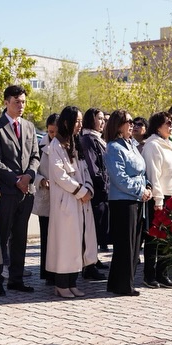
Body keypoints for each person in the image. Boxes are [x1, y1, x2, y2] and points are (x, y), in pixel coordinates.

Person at [0, 85, 40, 295]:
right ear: (6, 102)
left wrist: (29, 176)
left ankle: (16, 279)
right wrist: (16, 180)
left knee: (20, 237)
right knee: (2, 237)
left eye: (23, 102)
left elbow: (35, 156)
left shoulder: (29, 126)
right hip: (7, 191)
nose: (21, 105)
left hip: (26, 191)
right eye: (17, 102)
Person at [46, 106, 98, 298]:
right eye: (77, 121)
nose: (80, 125)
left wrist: (89, 189)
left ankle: (72, 282)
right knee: (65, 243)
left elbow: (85, 170)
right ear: (67, 122)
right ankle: (61, 284)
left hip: (81, 201)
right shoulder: (55, 146)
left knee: (78, 242)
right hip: (66, 202)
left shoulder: (75, 144)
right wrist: (81, 192)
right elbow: (60, 175)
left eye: (81, 121)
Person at [104, 109, 152, 296]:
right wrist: (140, 191)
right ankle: (122, 285)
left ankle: (120, 282)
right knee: (125, 245)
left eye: (133, 122)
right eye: (128, 122)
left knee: (134, 243)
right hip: (123, 201)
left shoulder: (131, 145)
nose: (132, 125)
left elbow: (141, 171)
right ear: (118, 125)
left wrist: (147, 186)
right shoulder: (114, 147)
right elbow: (119, 177)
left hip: (137, 199)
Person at [140, 112, 172, 289]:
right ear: (157, 127)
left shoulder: (170, 145)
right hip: (159, 197)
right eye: (167, 123)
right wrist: (158, 200)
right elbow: (153, 174)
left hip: (171, 195)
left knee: (166, 238)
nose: (171, 126)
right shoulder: (152, 146)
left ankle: (162, 274)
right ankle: (149, 275)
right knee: (153, 237)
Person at [80, 108, 111, 268]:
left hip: (103, 191)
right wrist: (104, 186)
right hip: (96, 191)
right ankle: (89, 265)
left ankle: (93, 260)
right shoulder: (88, 139)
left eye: (103, 119)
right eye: (99, 118)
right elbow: (93, 167)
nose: (102, 122)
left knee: (98, 229)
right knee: (91, 229)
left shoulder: (99, 138)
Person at [33, 113, 58, 286]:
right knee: (46, 237)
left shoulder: (67, 145)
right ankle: (47, 273)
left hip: (63, 198)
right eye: (50, 132)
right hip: (46, 197)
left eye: (56, 132)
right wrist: (41, 180)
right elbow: (32, 169)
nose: (53, 135)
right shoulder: (40, 146)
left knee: (59, 238)